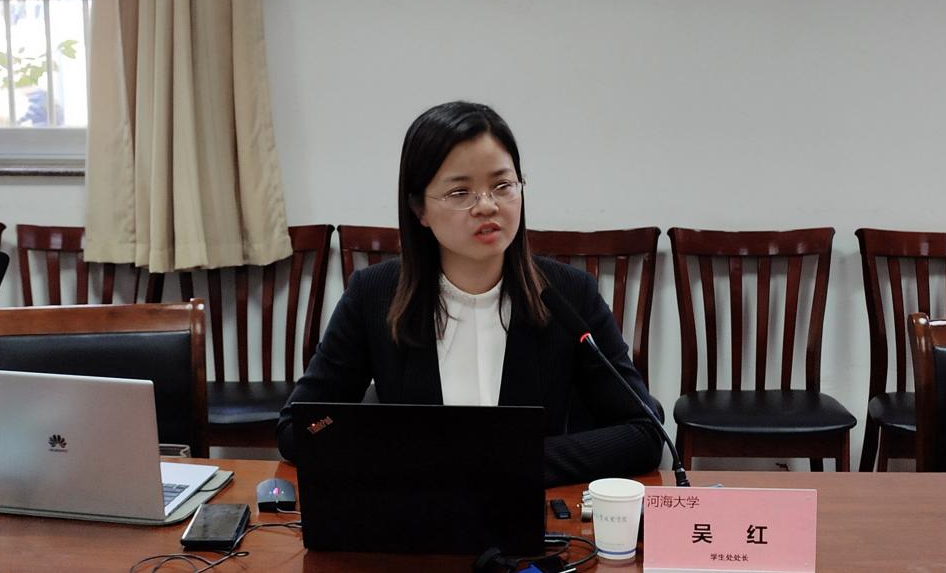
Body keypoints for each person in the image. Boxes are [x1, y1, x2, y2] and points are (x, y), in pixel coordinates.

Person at [276, 101, 664, 485]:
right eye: (460, 192)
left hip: (529, 514)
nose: (487, 206)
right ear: (419, 209)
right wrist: (404, 457)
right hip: (418, 513)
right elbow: (300, 427)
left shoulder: (568, 294)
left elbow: (644, 430)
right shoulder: (373, 296)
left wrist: (520, 462)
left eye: (503, 186)